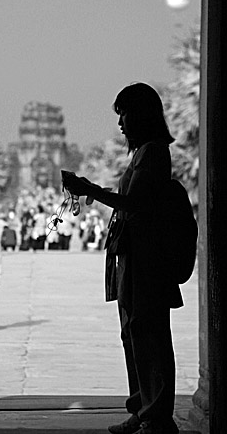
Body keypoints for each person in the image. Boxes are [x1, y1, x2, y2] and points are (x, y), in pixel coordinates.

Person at [64, 82, 182, 434]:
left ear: (141, 115)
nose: (120, 124)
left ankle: (157, 415)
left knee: (150, 334)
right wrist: (93, 190)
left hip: (148, 259)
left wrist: (92, 191)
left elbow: (138, 205)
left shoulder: (153, 153)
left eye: (124, 115)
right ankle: (143, 407)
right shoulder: (141, 153)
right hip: (132, 256)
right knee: (133, 332)